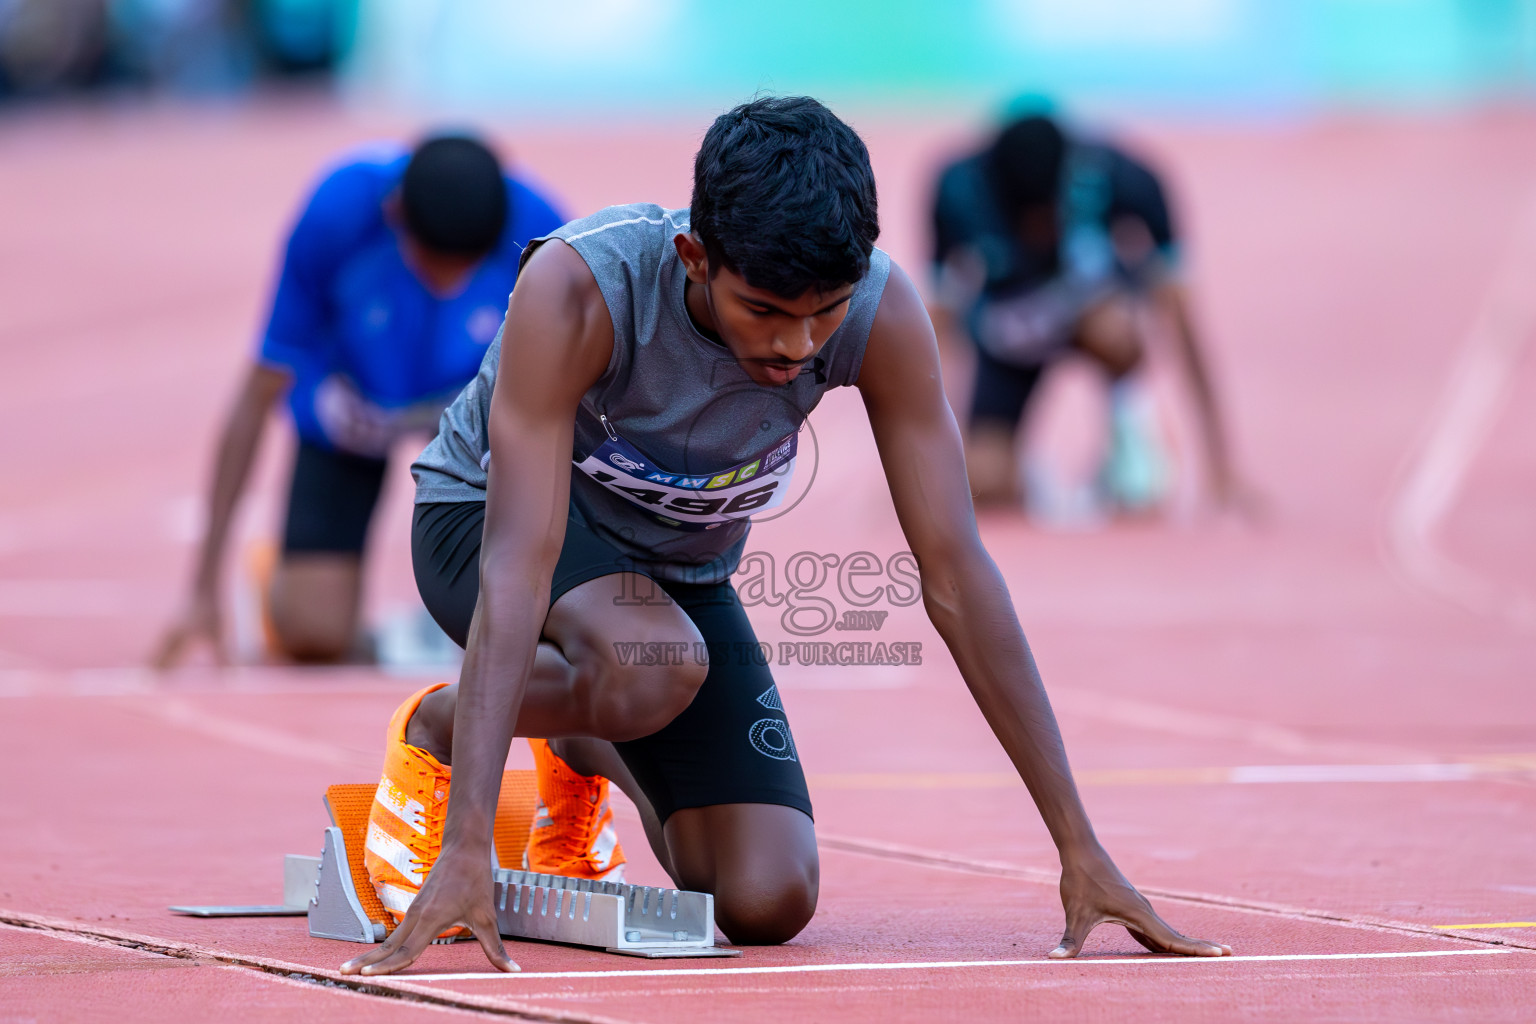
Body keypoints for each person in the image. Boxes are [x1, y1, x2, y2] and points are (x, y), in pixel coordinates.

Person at [341, 97, 1232, 974]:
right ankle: (437, 727)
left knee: (767, 898)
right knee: (652, 661)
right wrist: (466, 846)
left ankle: (580, 743)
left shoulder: (878, 311)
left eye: (826, 311)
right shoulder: (581, 290)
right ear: (695, 257)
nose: (798, 346)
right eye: (764, 310)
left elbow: (957, 571)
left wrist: (1080, 847)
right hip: (485, 523)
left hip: (672, 579)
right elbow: (517, 563)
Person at [153, 134, 566, 666]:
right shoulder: (337, 215)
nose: (448, 285)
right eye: (433, 264)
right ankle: (284, 581)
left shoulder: (541, 232)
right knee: (314, 635)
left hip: (474, 418)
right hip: (353, 413)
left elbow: (570, 399)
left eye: (464, 269)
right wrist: (203, 585)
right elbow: (258, 392)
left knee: (537, 618)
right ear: (395, 215)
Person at [931, 113, 1252, 514]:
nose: (1042, 232)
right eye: (1030, 224)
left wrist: (1221, 466)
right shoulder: (958, 189)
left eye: (1049, 218)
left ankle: (1130, 441)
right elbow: (937, 327)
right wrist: (924, 461)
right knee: (983, 486)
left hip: (1093, 316)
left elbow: (1180, 315)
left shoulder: (1125, 178)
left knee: (1115, 329)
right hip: (1010, 337)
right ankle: (1024, 470)